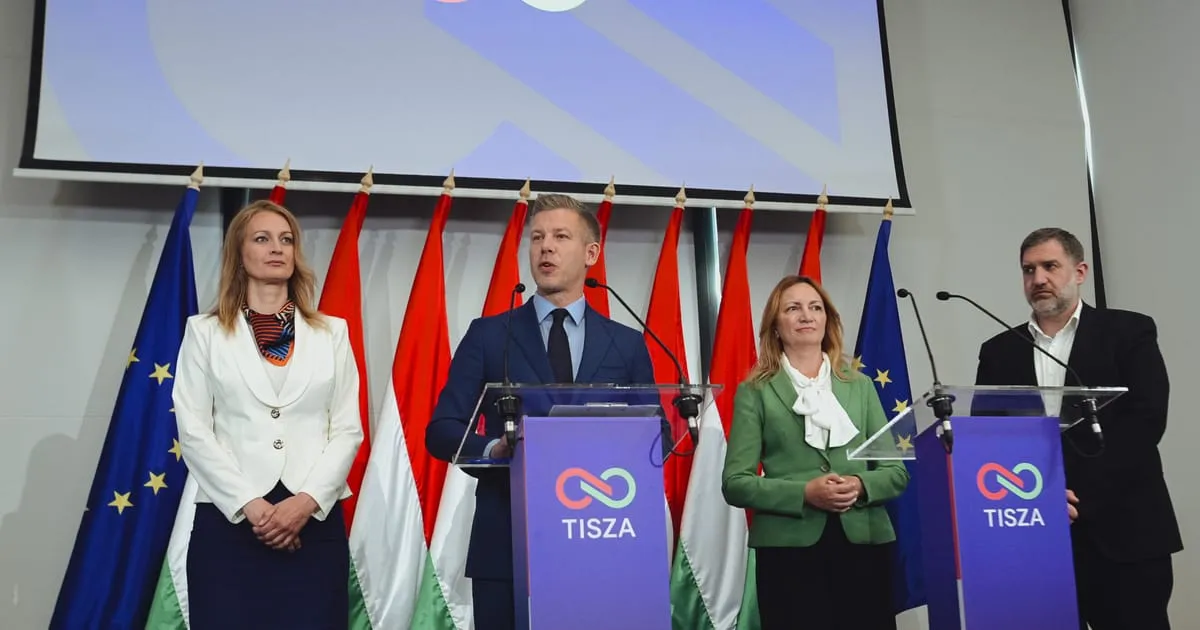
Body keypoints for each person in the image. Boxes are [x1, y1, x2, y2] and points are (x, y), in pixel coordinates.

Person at [425, 193, 655, 630]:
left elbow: (654, 432)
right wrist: (494, 448)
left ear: (591, 253)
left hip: (601, 538)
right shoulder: (490, 336)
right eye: (537, 238)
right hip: (508, 542)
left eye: (560, 237)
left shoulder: (626, 343)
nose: (545, 247)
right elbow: (442, 430)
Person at [974, 227, 1181, 630]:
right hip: (1035, 534)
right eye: (1028, 270)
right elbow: (990, 439)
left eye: (1050, 266)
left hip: (1123, 532)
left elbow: (1146, 421)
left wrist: (1070, 496)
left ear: (1080, 270)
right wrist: (1038, 499)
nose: (1038, 279)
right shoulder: (999, 350)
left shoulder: (1129, 332)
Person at [172, 200, 364, 629]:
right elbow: (194, 429)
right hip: (231, 524)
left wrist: (306, 502)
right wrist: (251, 506)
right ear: (239, 254)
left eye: (286, 239)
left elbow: (348, 429)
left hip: (313, 522)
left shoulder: (332, 333)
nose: (277, 248)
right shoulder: (203, 333)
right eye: (262, 239)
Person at [722, 275, 908, 630]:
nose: (806, 315)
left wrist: (859, 484)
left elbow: (896, 471)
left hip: (864, 544)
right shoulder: (755, 392)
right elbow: (735, 483)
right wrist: (804, 493)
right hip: (789, 553)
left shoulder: (861, 385)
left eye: (815, 307)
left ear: (827, 320)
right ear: (776, 326)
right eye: (793, 308)